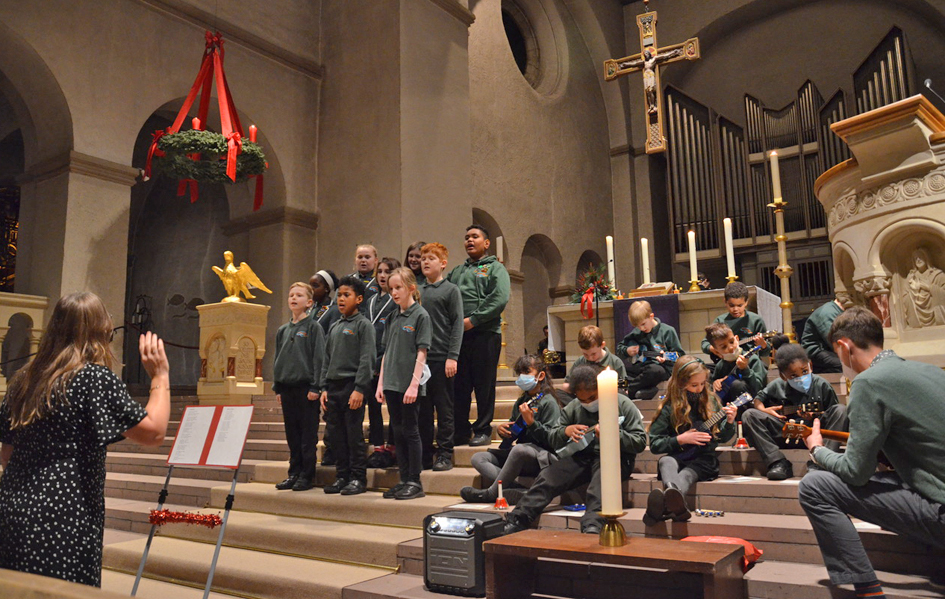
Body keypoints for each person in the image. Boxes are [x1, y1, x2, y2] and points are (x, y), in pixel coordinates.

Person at [0, 292, 171, 587]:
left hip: (12, 507)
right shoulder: (93, 378)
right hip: (65, 515)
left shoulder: (23, 379)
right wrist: (160, 377)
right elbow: (153, 432)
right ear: (103, 331)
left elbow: (6, 453)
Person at [799, 307, 945, 598]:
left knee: (814, 486)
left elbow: (855, 472)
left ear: (843, 347)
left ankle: (868, 590)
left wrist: (817, 450)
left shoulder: (868, 382)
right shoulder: (929, 370)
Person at [502, 364, 646, 535]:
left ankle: (593, 524)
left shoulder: (623, 404)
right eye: (582, 400)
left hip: (617, 457)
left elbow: (640, 441)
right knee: (549, 476)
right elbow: (553, 437)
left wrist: (614, 434)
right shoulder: (574, 407)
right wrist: (565, 431)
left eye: (592, 398)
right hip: (582, 456)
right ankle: (520, 517)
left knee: (601, 481)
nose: (588, 403)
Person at [645, 356, 737, 525]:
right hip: (678, 456)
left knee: (687, 475)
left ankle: (661, 508)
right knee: (665, 461)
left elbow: (722, 437)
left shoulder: (711, 402)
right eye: (694, 385)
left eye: (702, 384)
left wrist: (730, 422)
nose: (699, 389)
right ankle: (677, 509)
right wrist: (680, 439)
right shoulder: (669, 407)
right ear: (680, 384)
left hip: (703, 460)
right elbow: (656, 444)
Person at [460, 354, 561, 506]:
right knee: (478, 458)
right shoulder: (522, 401)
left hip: (541, 458)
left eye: (527, 373)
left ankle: (491, 493)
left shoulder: (549, 402)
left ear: (541, 376)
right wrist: (504, 432)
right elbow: (514, 432)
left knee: (520, 449)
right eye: (520, 373)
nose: (522, 377)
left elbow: (553, 439)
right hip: (520, 457)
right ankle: (516, 489)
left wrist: (532, 423)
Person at [742, 343, 847, 481]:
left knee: (841, 410)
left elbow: (832, 415)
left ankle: (821, 461)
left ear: (810, 365)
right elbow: (758, 400)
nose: (801, 377)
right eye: (793, 375)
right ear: (783, 376)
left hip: (813, 436)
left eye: (804, 371)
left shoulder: (822, 385)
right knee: (749, 415)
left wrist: (816, 417)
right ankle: (778, 462)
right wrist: (764, 410)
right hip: (786, 432)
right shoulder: (777, 385)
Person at [448, 225, 511, 447]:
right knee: (460, 386)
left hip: (485, 333)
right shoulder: (457, 271)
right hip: (459, 336)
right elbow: (445, 295)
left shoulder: (495, 268)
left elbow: (499, 298)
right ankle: (461, 430)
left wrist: (473, 320)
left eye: (475, 237)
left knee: (484, 385)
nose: (469, 240)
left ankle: (483, 429)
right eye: (466, 237)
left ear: (486, 243)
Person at [376, 267, 432, 500]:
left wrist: (414, 384)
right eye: (391, 289)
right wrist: (381, 383)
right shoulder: (392, 317)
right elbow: (387, 352)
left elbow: (422, 353)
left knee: (410, 431)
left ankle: (414, 481)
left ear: (411, 288)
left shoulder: (420, 316)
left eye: (398, 287)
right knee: (396, 432)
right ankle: (403, 478)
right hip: (391, 382)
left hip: (409, 384)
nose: (394, 293)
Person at [319, 276, 376, 496]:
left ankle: (358, 478)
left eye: (346, 295)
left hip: (352, 386)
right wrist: (324, 387)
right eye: (339, 295)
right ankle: (342, 476)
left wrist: (360, 388)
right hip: (333, 387)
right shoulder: (335, 326)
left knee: (353, 435)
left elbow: (367, 359)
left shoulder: (364, 325)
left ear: (359, 299)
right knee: (336, 436)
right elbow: (327, 359)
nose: (341, 299)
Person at [272, 282, 326, 492]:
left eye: (299, 295)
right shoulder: (283, 330)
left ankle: (306, 474)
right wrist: (277, 386)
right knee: (292, 434)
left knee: (306, 435)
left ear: (309, 302)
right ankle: (293, 472)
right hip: (287, 388)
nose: (294, 298)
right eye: (291, 295)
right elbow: (278, 358)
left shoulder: (314, 327)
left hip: (307, 389)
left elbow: (318, 358)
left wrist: (316, 386)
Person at [418, 243, 463, 471]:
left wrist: (452, 356)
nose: (426, 261)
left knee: (444, 409)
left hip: (442, 358)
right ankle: (426, 454)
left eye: (431, 258)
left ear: (443, 263)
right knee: (423, 410)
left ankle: (445, 453)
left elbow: (457, 325)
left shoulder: (450, 290)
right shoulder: (418, 291)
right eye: (424, 258)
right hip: (421, 360)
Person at [365, 257, 401, 469]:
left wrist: (382, 360)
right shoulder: (370, 301)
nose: (382, 276)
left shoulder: (394, 301)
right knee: (373, 408)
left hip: (386, 358)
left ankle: (393, 446)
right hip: (369, 359)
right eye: (379, 271)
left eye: (387, 272)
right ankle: (378, 446)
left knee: (392, 408)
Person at [616, 300, 685, 399]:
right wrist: (627, 351)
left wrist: (666, 357)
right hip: (642, 368)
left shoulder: (668, 331)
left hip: (662, 368)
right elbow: (619, 349)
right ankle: (645, 390)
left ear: (651, 316)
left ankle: (628, 392)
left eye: (643, 324)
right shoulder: (637, 332)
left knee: (654, 371)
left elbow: (680, 355)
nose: (641, 328)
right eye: (638, 326)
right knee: (620, 372)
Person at [700, 281, 769, 364]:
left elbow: (766, 352)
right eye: (731, 305)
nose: (735, 309)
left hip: (750, 363)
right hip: (725, 364)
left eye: (740, 305)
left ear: (746, 302)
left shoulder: (756, 321)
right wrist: (714, 349)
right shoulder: (721, 320)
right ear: (725, 302)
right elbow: (705, 343)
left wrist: (763, 345)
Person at [705, 323, 767, 404]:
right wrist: (715, 383)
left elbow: (759, 388)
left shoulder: (752, 359)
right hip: (729, 407)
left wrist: (745, 369)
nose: (731, 348)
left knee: (737, 385)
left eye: (732, 342)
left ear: (737, 339)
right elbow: (715, 390)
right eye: (724, 347)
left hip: (753, 404)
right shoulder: (720, 366)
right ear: (716, 351)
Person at [561, 325, 627, 393]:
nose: (590, 358)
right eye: (585, 354)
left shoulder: (615, 362)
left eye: (593, 354)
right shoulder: (580, 362)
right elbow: (566, 385)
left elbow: (624, 389)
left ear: (602, 345)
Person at [801, 298, 845, 374]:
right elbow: (835, 342)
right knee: (847, 365)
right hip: (817, 353)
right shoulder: (828, 312)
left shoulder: (839, 310)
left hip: (829, 351)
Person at [309, 269, 341, 335]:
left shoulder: (334, 310)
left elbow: (331, 336)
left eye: (315, 286)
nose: (311, 289)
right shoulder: (310, 309)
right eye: (310, 286)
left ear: (326, 288)